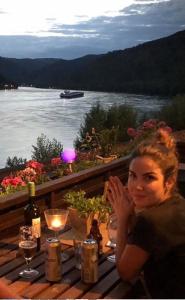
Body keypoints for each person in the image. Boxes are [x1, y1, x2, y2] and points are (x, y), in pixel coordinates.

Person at [107, 129, 185, 298]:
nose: (137, 186)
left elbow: (126, 273)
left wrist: (122, 218)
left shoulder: (152, 220)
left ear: (169, 182)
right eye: (132, 176)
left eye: (149, 178)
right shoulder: (178, 204)